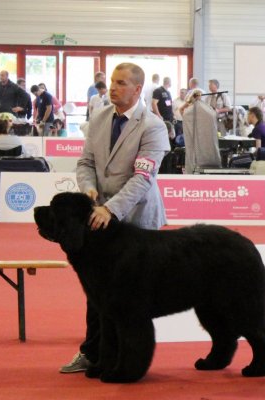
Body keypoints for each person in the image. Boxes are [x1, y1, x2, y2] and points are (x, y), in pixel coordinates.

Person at [62, 62, 171, 374]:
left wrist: (111, 209)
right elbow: (85, 162)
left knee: (133, 299)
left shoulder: (153, 126)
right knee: (97, 294)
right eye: (112, 82)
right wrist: (88, 188)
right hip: (99, 220)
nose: (113, 87)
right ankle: (93, 353)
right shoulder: (98, 118)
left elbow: (143, 178)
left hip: (136, 220)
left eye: (121, 83)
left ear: (137, 89)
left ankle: (130, 358)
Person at [182, 89, 222, 173]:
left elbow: (181, 110)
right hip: (206, 141)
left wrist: (188, 102)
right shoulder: (208, 111)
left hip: (192, 143)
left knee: (192, 153)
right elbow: (214, 115)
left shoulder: (188, 111)